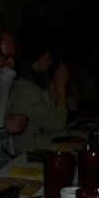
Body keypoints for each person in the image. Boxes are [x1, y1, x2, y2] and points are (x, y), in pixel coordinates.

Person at [10, 19, 70, 154]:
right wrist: (61, 89)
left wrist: (53, 95)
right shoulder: (25, 86)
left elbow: (45, 117)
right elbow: (57, 125)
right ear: (46, 55)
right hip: (28, 155)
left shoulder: (33, 80)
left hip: (38, 150)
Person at [0, 30, 28, 170]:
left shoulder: (4, 83)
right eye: (4, 56)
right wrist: (5, 127)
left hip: (2, 165)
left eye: (13, 58)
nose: (11, 64)